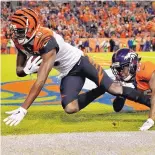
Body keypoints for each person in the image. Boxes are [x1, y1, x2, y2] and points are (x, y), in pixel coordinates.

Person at [3, 8, 151, 127]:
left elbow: (41, 81)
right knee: (70, 108)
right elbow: (19, 71)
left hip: (81, 61)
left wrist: (23, 109)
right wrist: (26, 71)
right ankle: (101, 88)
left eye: (20, 30)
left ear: (32, 29)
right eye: (15, 29)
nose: (15, 34)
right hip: (69, 72)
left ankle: (150, 103)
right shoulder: (19, 41)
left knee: (114, 88)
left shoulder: (47, 41)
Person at [111, 48, 155, 131]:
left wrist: (150, 120)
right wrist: (121, 92)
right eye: (118, 69)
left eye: (122, 68)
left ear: (132, 64)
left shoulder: (145, 69)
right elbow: (117, 108)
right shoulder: (126, 78)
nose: (120, 72)